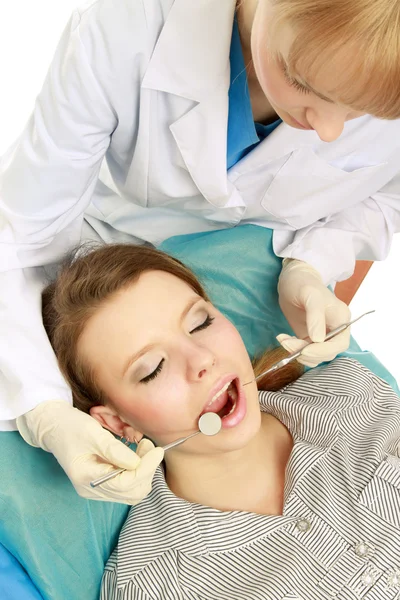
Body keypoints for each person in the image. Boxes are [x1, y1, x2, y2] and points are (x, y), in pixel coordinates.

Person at [2, 0, 400, 504]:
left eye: (202, 322)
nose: (328, 131)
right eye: (305, 83)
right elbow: (19, 237)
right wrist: (42, 409)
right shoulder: (127, 30)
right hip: (100, 234)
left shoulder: (357, 403)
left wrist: (313, 264)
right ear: (115, 422)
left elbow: (384, 195)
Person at [41, 242, 400, 600]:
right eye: (152, 369)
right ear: (119, 424)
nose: (201, 359)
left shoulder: (350, 391)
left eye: (200, 322)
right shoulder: (150, 587)